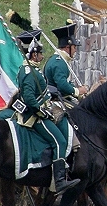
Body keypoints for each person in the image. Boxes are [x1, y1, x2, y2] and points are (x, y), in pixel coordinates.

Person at [15, 30, 80, 195]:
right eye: (40, 53)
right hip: (34, 117)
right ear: (33, 54)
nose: (42, 56)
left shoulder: (32, 70)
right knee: (60, 142)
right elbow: (29, 98)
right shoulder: (30, 72)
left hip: (40, 112)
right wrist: (42, 111)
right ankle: (59, 182)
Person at [44, 21, 88, 106]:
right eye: (74, 47)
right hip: (56, 99)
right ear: (67, 47)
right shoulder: (59, 63)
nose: (75, 50)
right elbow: (62, 85)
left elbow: (66, 83)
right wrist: (78, 91)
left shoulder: (58, 60)